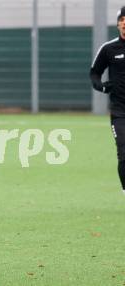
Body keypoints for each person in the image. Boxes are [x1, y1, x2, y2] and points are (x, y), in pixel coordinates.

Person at [90, 6, 125, 194]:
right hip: (120, 112)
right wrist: (101, 86)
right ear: (119, 23)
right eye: (123, 20)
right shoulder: (109, 48)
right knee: (124, 153)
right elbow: (94, 73)